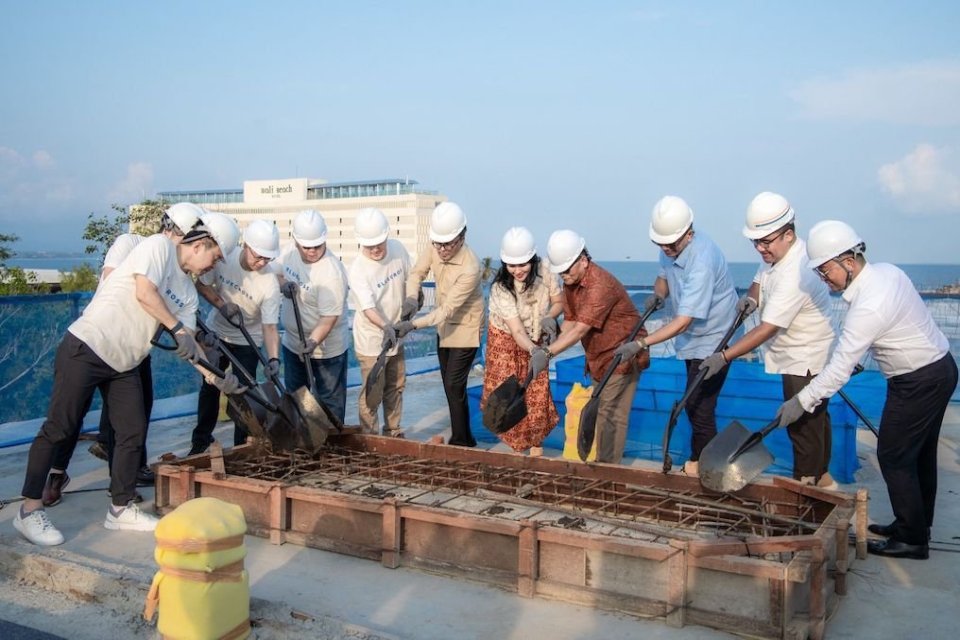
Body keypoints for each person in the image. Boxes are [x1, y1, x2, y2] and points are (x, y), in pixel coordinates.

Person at [13, 211, 243, 546]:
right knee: (60, 428)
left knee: (132, 432)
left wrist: (215, 376)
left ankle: (120, 509)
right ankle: (29, 512)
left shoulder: (189, 294)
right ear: (200, 244)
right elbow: (145, 292)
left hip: (124, 363)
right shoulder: (159, 248)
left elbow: (190, 344)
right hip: (89, 346)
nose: (213, 266)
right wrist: (177, 329)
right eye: (215, 257)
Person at [774, 220, 957, 560]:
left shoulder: (867, 305)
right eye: (817, 270)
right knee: (919, 455)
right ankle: (915, 525)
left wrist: (801, 400)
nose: (822, 277)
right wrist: (857, 361)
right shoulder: (887, 272)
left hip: (917, 381)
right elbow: (899, 327)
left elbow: (839, 368)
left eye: (825, 269)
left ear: (848, 260)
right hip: (941, 367)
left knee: (893, 456)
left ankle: (912, 541)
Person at [42, 203, 206, 507]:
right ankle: (56, 472)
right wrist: (171, 319)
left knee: (135, 414)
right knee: (71, 415)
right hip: (101, 341)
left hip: (134, 350)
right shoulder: (133, 245)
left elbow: (175, 315)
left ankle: (122, 484)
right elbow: (117, 287)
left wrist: (209, 369)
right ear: (173, 231)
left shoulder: (177, 273)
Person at [698, 192, 838, 489]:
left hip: (806, 357)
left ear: (788, 234)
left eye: (766, 242)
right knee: (815, 420)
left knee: (803, 425)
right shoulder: (777, 256)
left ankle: (807, 485)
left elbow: (768, 328)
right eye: (755, 242)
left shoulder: (798, 271)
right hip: (796, 352)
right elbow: (760, 280)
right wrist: (750, 298)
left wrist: (724, 356)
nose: (760, 248)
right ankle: (823, 479)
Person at [614, 196, 738, 475]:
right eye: (661, 244)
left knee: (700, 405)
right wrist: (657, 295)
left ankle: (705, 466)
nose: (666, 249)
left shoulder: (702, 260)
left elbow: (683, 321)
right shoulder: (669, 246)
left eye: (671, 244)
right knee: (695, 403)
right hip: (693, 339)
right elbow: (664, 277)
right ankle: (703, 461)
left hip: (716, 339)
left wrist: (641, 343)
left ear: (689, 234)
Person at [528, 229, 649, 464]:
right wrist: (552, 336)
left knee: (611, 414)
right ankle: (603, 466)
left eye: (566, 269)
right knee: (603, 409)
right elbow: (571, 322)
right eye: (560, 271)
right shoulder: (572, 282)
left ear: (583, 260)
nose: (563, 275)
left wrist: (548, 353)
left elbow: (580, 330)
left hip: (623, 354)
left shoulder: (599, 285)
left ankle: (607, 472)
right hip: (598, 357)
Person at [395, 202, 484, 447]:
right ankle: (465, 437)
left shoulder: (471, 267)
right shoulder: (435, 247)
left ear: (462, 236)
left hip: (465, 328)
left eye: (448, 244)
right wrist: (412, 296)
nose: (442, 249)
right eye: (438, 243)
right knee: (449, 385)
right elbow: (417, 273)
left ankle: (461, 441)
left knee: (455, 384)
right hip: (443, 328)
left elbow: (446, 310)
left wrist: (412, 325)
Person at [190, 219, 282, 454]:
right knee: (210, 387)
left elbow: (270, 327)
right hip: (217, 333)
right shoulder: (225, 259)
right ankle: (200, 442)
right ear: (246, 245)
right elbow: (202, 285)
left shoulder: (269, 283)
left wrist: (273, 360)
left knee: (244, 394)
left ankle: (242, 446)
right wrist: (222, 305)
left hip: (247, 340)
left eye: (267, 259)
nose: (261, 262)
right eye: (258, 256)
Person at [481, 227, 563, 456]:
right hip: (506, 339)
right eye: (511, 265)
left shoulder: (546, 271)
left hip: (537, 333)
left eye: (523, 264)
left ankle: (536, 445)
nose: (517, 270)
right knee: (508, 392)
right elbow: (516, 330)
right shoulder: (500, 288)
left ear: (533, 259)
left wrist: (550, 317)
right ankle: (517, 448)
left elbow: (559, 300)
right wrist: (535, 350)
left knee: (536, 389)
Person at [276, 210, 350, 424]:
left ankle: (331, 445)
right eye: (306, 247)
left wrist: (312, 342)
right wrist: (284, 286)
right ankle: (301, 441)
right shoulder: (289, 252)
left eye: (317, 246)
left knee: (329, 402)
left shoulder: (331, 273)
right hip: (293, 344)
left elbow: (329, 318)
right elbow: (277, 272)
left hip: (327, 350)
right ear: (296, 241)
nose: (312, 251)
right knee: (298, 397)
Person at [347, 208, 412, 436]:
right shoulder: (358, 269)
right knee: (372, 391)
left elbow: (410, 279)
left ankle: (393, 430)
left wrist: (414, 298)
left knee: (396, 386)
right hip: (372, 341)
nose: (375, 249)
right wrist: (385, 326)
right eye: (369, 245)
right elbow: (368, 308)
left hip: (398, 336)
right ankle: (369, 436)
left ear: (386, 236)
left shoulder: (397, 249)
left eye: (379, 243)